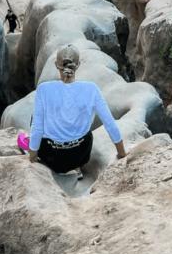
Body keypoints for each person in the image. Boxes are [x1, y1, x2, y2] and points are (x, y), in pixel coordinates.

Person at [26, 44, 127, 179]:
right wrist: (121, 154)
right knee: (82, 126)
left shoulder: (44, 89)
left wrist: (32, 159)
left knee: (36, 118)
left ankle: (36, 151)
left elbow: (37, 127)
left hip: (52, 159)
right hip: (81, 156)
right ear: (78, 64)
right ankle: (76, 168)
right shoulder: (91, 89)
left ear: (56, 64)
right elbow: (109, 122)